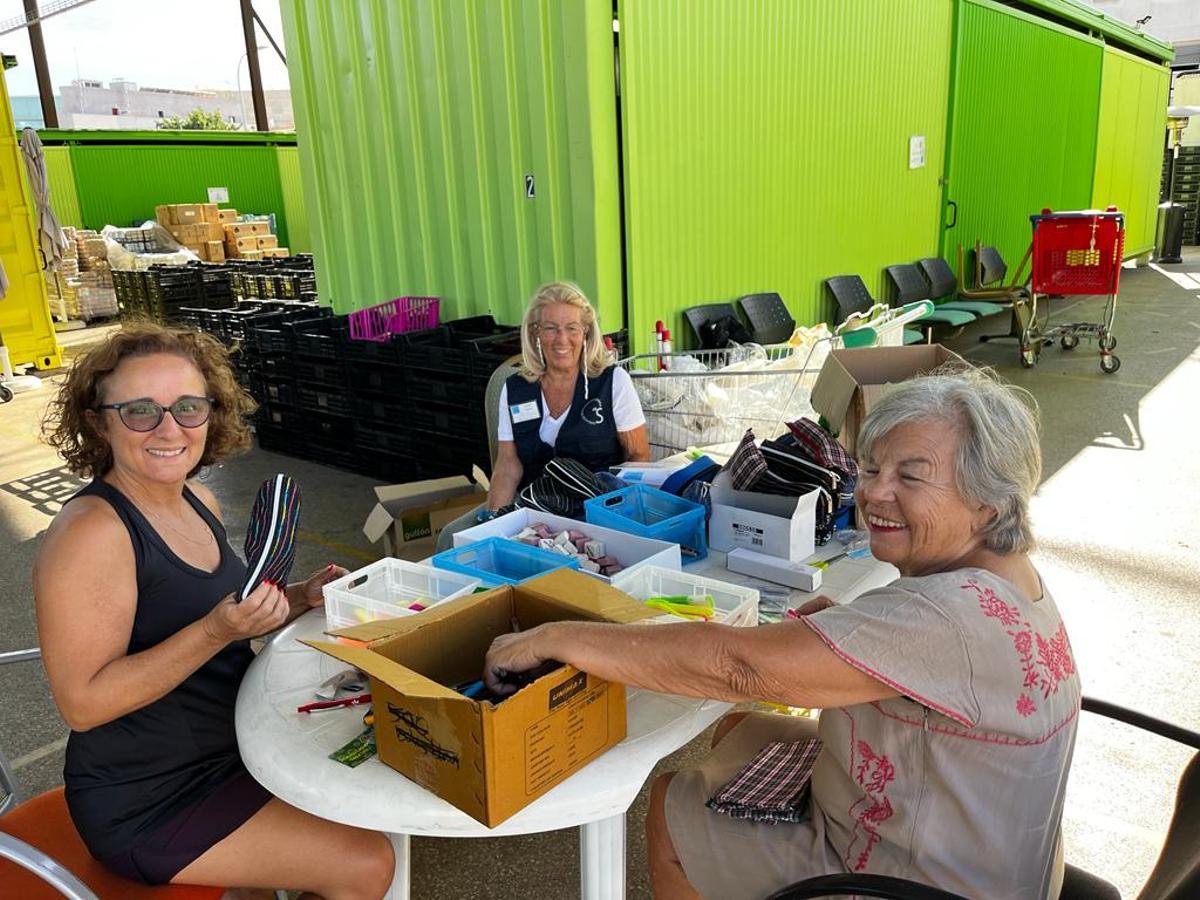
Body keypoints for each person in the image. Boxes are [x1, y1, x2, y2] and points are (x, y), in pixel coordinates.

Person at [484, 366, 1079, 899]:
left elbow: (739, 668)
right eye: (872, 468)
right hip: (982, 851)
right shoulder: (1007, 579)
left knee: (670, 802)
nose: (873, 493)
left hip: (908, 879)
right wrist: (834, 641)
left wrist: (559, 637)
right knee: (743, 728)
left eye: (911, 477)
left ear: (988, 504)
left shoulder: (945, 615)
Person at [35, 323, 393, 898]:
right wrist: (214, 631)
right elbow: (83, 705)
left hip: (235, 744)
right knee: (367, 863)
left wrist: (297, 597)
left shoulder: (195, 497)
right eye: (140, 411)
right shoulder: (92, 533)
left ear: (213, 412)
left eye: (188, 406)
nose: (169, 428)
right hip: (149, 795)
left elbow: (217, 609)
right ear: (99, 420)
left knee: (372, 797)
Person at [436, 281, 650, 550]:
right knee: (451, 538)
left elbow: (639, 457)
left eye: (571, 328)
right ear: (535, 333)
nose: (562, 340)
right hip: (533, 510)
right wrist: (495, 522)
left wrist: (617, 518)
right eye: (550, 328)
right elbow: (508, 465)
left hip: (595, 514)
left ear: (586, 332)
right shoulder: (514, 388)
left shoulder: (612, 382)